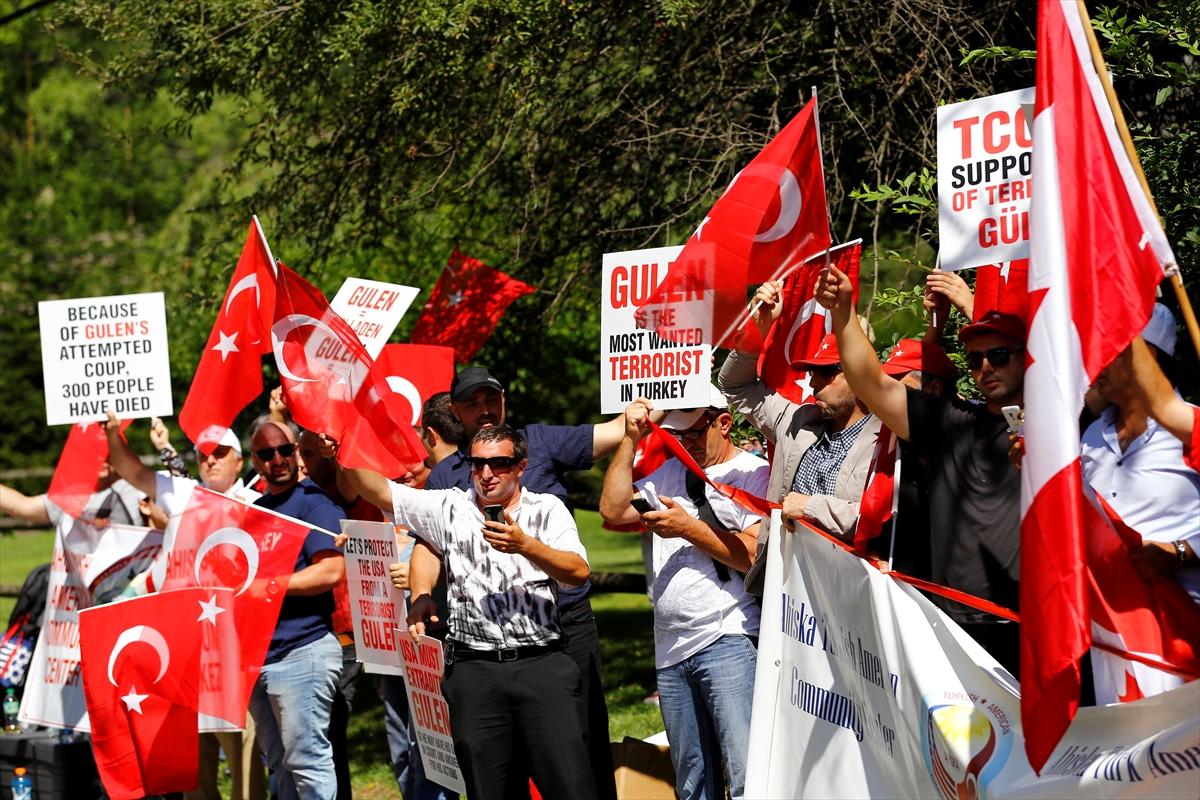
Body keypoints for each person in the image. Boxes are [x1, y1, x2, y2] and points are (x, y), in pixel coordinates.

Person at [422, 366, 654, 800]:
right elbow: (427, 546)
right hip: (486, 645)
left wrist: (636, 417)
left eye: (490, 399)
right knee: (496, 763)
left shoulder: (541, 440)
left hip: (566, 627)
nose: (484, 409)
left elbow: (613, 431)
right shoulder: (443, 479)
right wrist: (420, 594)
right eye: (472, 403)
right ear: (455, 412)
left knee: (577, 752)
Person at [345, 426, 597, 800]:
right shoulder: (450, 506)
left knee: (570, 786)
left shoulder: (547, 509)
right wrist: (342, 433)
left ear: (521, 466)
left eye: (500, 463)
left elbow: (578, 572)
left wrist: (526, 546)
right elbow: (377, 490)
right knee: (488, 790)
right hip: (474, 672)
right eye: (479, 464)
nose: (487, 474)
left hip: (541, 664)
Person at [815, 262, 1024, 675]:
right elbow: (871, 382)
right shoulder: (951, 423)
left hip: (1031, 628)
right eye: (975, 358)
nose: (985, 367)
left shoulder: (1057, 424)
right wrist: (843, 314)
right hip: (953, 629)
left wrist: (973, 306)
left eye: (999, 355)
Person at [599, 387, 766, 800]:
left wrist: (687, 528)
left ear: (723, 423)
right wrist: (629, 438)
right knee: (692, 782)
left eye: (693, 433)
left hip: (729, 637)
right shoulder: (670, 473)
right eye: (676, 435)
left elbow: (751, 556)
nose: (684, 442)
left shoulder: (754, 474)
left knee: (746, 774)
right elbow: (614, 509)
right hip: (672, 649)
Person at [102, 414, 267, 800]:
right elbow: (129, 468)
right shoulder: (182, 493)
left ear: (238, 461)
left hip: (230, 651)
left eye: (220, 453)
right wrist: (114, 434)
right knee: (193, 758)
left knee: (241, 748)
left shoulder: (258, 504)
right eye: (204, 454)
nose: (211, 460)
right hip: (180, 650)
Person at [245, 418, 346, 800]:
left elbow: (332, 569)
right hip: (260, 656)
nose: (278, 459)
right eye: (267, 453)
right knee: (280, 764)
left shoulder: (313, 501)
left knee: (307, 761)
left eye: (285, 450)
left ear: (297, 453)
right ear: (255, 461)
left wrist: (270, 586)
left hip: (303, 653)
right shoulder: (255, 511)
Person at [1080, 307, 1199, 604]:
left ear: (1148, 357)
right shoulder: (1091, 436)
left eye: (1110, 347)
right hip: (1110, 625)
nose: (1097, 359)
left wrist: (1183, 551)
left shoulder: (1192, 430)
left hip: (1183, 625)